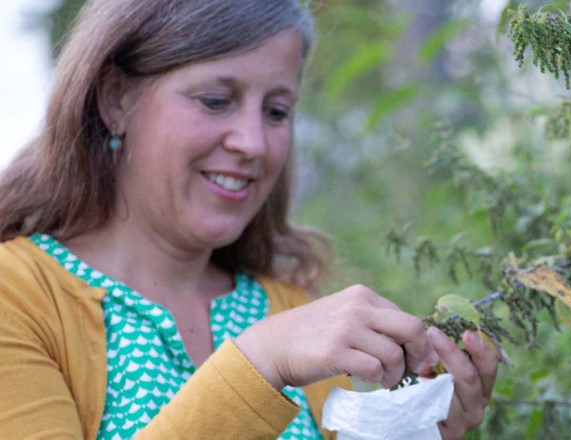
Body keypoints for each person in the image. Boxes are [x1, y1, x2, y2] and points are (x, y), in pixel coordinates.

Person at [0, 0, 498, 439]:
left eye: (277, 112)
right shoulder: (18, 294)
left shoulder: (285, 306)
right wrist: (258, 365)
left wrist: (409, 431)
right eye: (216, 101)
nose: (254, 143)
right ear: (116, 99)